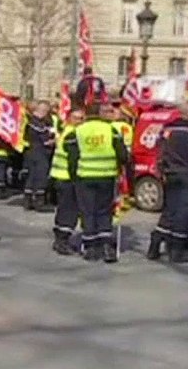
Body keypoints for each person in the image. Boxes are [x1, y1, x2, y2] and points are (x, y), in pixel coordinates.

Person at [64, 102, 129, 263]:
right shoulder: (110, 130)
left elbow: (71, 154)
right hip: (106, 176)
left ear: (86, 114)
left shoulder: (78, 131)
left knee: (87, 212)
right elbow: (123, 155)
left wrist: (74, 175)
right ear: (100, 113)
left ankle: (91, 247)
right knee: (104, 211)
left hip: (84, 177)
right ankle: (106, 246)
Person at [147, 102, 188, 263]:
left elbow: (159, 148)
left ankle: (154, 245)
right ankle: (176, 251)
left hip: (169, 173)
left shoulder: (168, 129)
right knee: (184, 211)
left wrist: (162, 168)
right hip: (186, 173)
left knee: (169, 210)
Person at [50, 107, 85, 256]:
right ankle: (62, 241)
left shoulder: (66, 131)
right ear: (70, 118)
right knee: (69, 211)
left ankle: (60, 237)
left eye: (83, 118)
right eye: (77, 118)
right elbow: (73, 160)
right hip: (67, 177)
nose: (81, 121)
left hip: (60, 175)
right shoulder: (72, 134)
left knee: (64, 209)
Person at [22, 101, 56, 211]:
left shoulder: (29, 122)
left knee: (31, 176)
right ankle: (39, 202)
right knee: (40, 176)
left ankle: (28, 201)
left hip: (31, 152)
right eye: (46, 111)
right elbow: (45, 140)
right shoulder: (37, 123)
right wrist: (54, 140)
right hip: (39, 152)